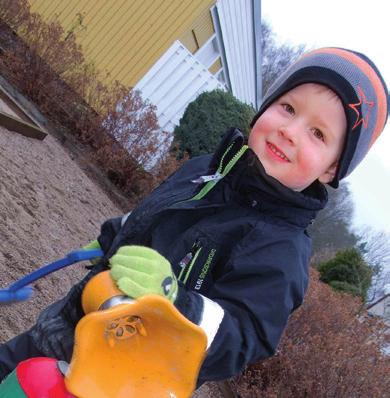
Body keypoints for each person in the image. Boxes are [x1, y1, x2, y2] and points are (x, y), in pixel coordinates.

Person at [0, 47, 388, 386]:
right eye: (288, 108)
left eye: (318, 134)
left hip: (120, 377)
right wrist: (112, 235)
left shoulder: (281, 251)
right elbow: (155, 215)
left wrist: (173, 300)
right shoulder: (206, 168)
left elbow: (242, 338)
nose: (290, 131)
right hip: (68, 323)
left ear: (331, 171)